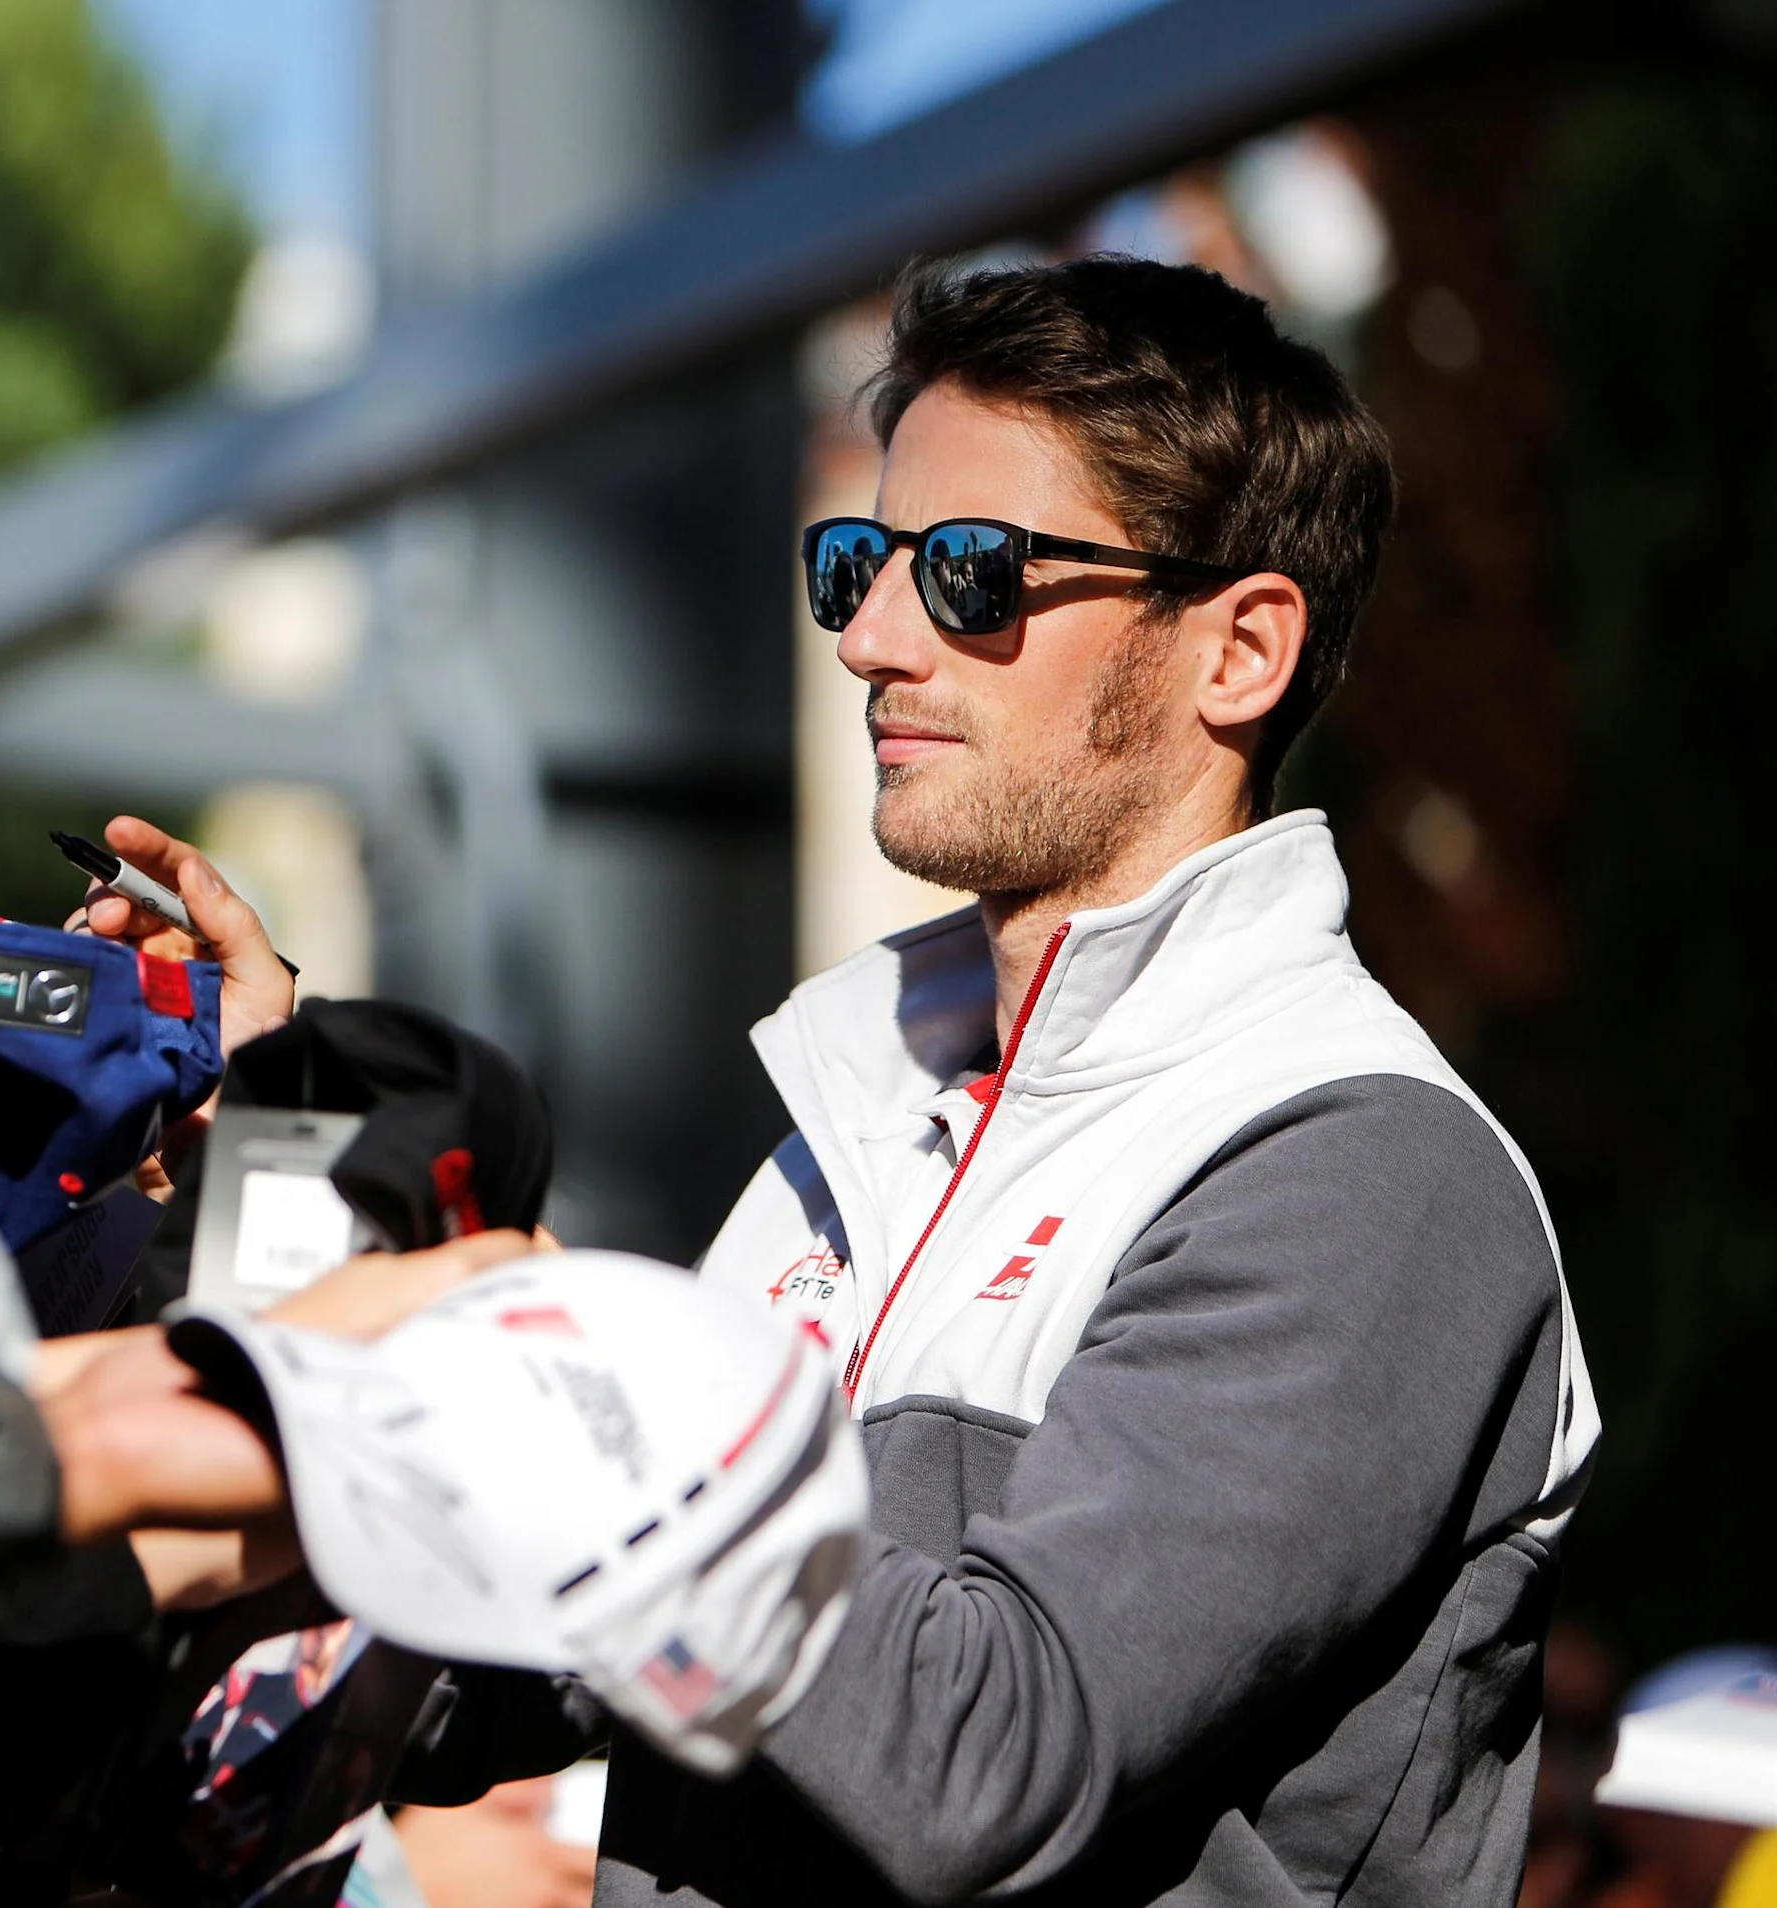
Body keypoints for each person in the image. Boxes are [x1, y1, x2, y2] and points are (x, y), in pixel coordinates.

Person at [572, 258, 1597, 1903]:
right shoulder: (862, 1113)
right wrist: (324, 1206)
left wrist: (544, 1370)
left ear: (1239, 651)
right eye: (857, 565)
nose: (874, 641)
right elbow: (546, 1656)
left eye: (972, 573)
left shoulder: (1367, 1166)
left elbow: (979, 1755)